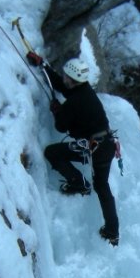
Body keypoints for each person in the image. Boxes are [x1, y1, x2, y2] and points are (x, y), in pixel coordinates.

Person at [27, 51, 120, 246]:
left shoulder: (76, 101)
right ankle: (111, 231)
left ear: (73, 79)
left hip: (95, 147)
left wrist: (57, 111)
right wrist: (43, 66)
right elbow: (61, 86)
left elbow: (61, 126)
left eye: (66, 77)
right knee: (102, 186)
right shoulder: (83, 89)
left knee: (53, 154)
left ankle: (79, 184)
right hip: (105, 144)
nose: (64, 78)